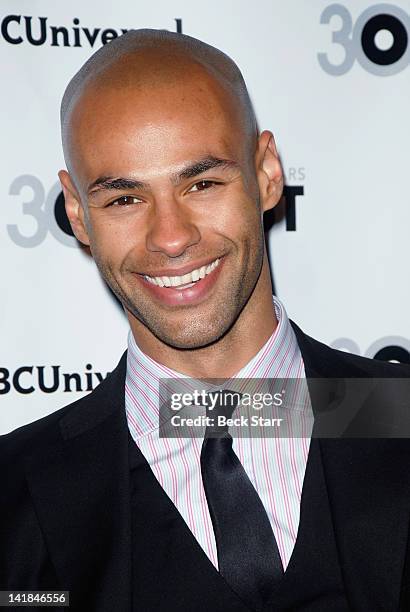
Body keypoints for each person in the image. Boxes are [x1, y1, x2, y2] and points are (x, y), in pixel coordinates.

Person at [1, 28, 410, 612]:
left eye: (202, 183)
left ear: (267, 173)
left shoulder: (400, 415)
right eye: (124, 199)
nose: (171, 238)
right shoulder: (15, 494)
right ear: (77, 214)